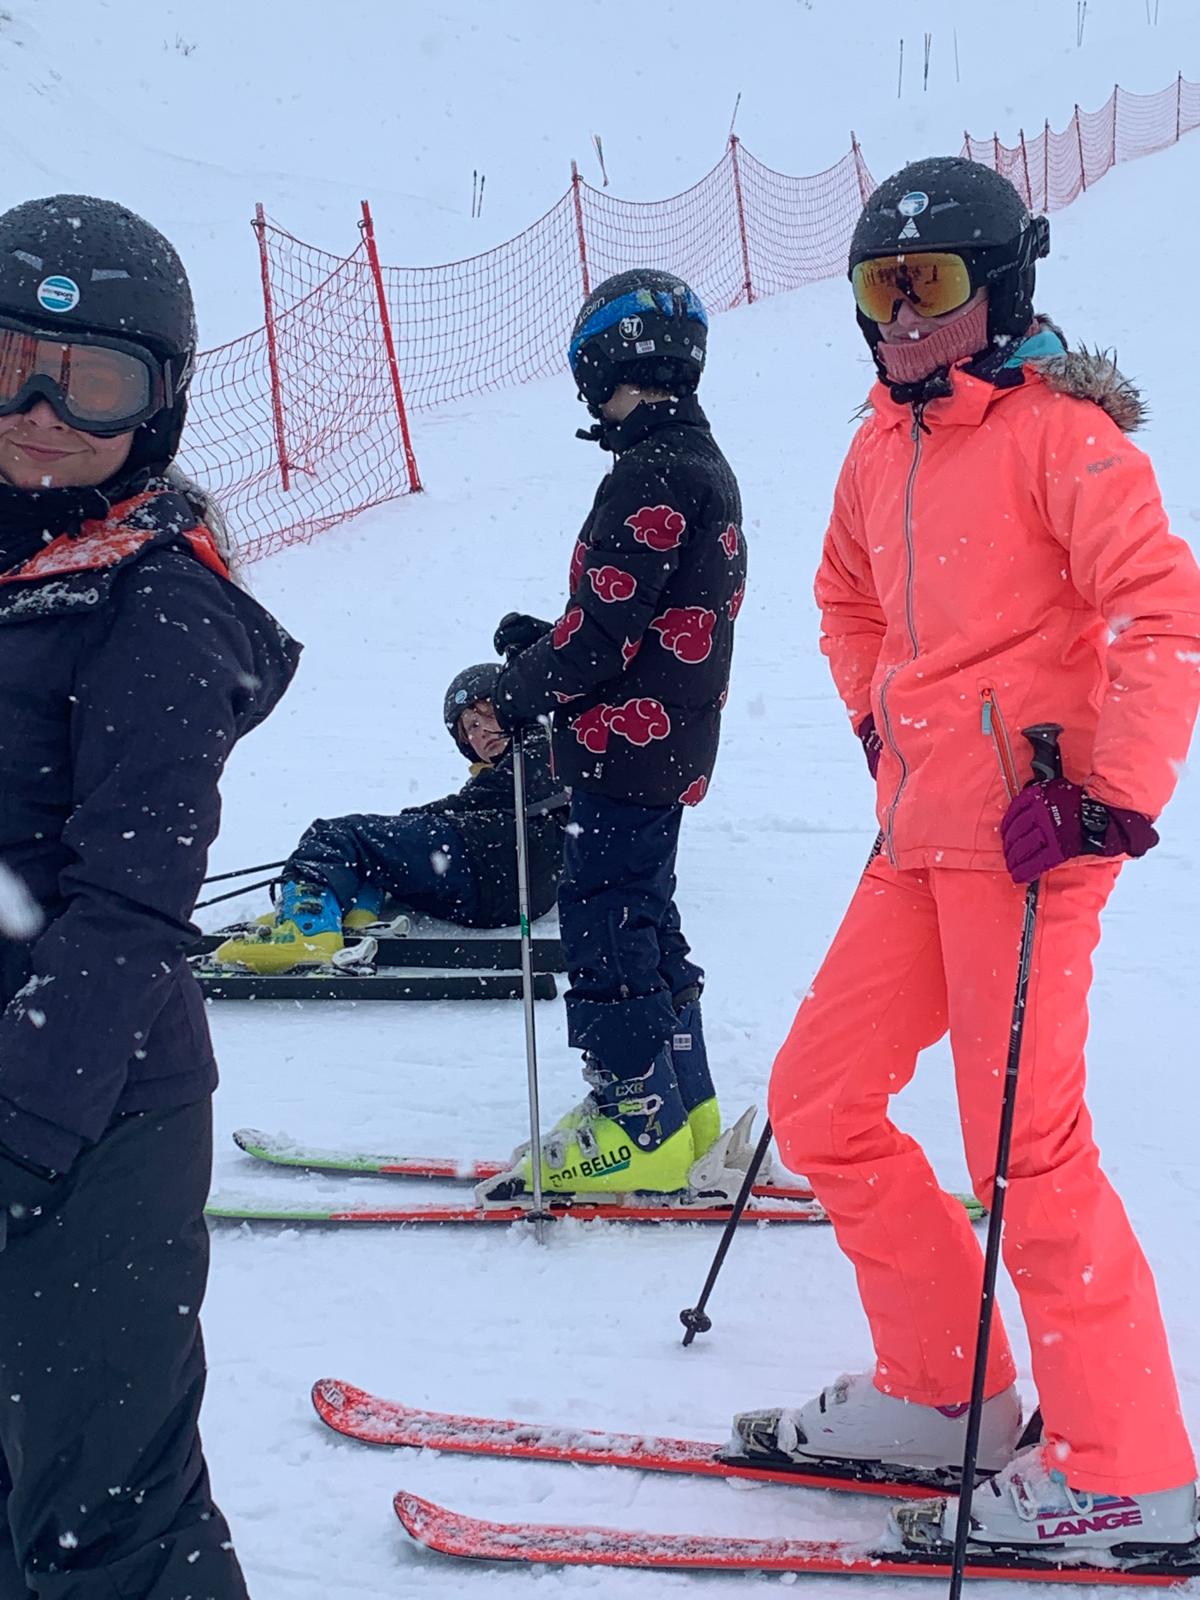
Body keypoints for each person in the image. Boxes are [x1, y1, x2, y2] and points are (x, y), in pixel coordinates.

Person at [733, 157, 1200, 1553]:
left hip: (1033, 841)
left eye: (927, 285)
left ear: (998, 287)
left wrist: (1104, 799)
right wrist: (878, 726)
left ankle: (1128, 1470)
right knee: (820, 1104)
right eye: (878, 287)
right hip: (917, 834)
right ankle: (950, 1396)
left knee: (1025, 1152)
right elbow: (844, 600)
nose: (900, 317)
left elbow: (1164, 613)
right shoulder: (879, 448)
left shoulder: (1065, 438)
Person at [0, 194, 301, 1596]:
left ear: (160, 402)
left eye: (94, 382)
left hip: (91, 1115)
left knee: (105, 1523)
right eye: (13, 366)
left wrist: (21, 1133)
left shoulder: (158, 602)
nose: (44, 412)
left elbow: (131, 901)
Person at [479, 268, 747, 1202]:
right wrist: (542, 645)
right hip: (664, 740)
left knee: (602, 918)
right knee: (642, 913)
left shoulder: (652, 470)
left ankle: (639, 1123)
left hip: (624, 749)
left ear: (599, 368)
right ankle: (687, 1106)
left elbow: (603, 636)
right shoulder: (698, 460)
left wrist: (518, 690)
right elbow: (637, 611)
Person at [213, 663, 568, 973]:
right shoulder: (509, 771)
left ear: (511, 709)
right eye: (470, 727)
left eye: (486, 715)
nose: (480, 732)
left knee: (337, 837)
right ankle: (351, 913)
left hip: (496, 861)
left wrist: (416, 819)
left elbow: (496, 793)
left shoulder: (542, 746)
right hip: (503, 892)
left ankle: (308, 931)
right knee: (372, 853)